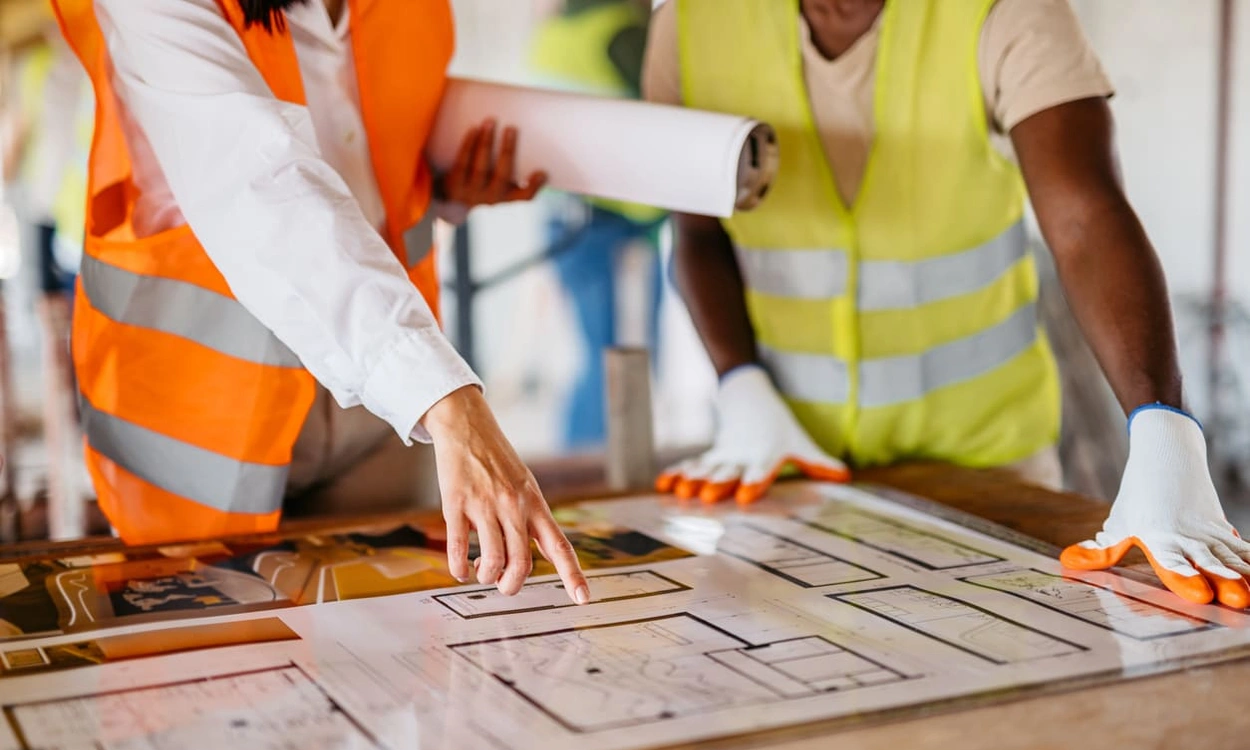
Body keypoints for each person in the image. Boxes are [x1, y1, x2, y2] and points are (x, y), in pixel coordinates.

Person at [645, 0, 1250, 609]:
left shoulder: (1005, 11)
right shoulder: (694, 24)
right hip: (790, 469)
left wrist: (1163, 430)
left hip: (991, 474)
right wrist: (741, 387)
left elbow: (1085, 218)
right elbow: (697, 234)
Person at [51, 0, 590, 603]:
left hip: (381, 418)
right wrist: (444, 396)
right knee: (230, 675)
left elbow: (365, 146)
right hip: (203, 430)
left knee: (401, 651)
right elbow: (258, 187)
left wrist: (440, 188)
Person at [530, 0, 666, 450]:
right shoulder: (619, 34)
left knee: (594, 358)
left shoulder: (555, 32)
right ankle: (608, 475)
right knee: (623, 365)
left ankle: (581, 471)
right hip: (616, 227)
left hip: (565, 220)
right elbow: (673, 115)